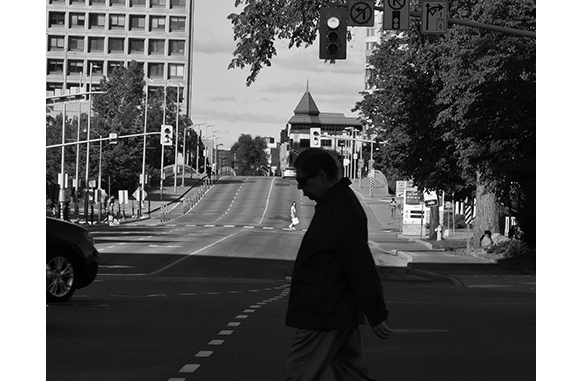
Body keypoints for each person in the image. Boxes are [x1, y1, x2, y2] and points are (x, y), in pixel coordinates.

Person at [285, 148, 393, 381]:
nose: (300, 189)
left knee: (300, 374)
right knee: (353, 375)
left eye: (302, 181)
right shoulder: (335, 204)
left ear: (322, 176)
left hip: (324, 311)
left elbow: (359, 263)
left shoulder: (339, 209)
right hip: (336, 309)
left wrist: (375, 313)